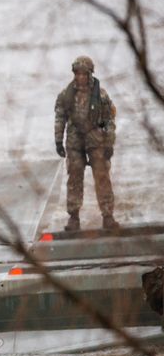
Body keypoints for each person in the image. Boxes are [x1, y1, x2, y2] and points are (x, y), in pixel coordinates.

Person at [54, 55, 119, 231]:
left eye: (84, 73)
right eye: (78, 73)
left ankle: (108, 216)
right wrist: (58, 140)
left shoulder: (101, 95)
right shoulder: (66, 95)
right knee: (74, 179)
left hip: (96, 141)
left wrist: (109, 143)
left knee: (102, 177)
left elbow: (109, 120)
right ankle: (73, 217)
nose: (81, 77)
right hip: (74, 143)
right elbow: (60, 118)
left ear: (90, 74)